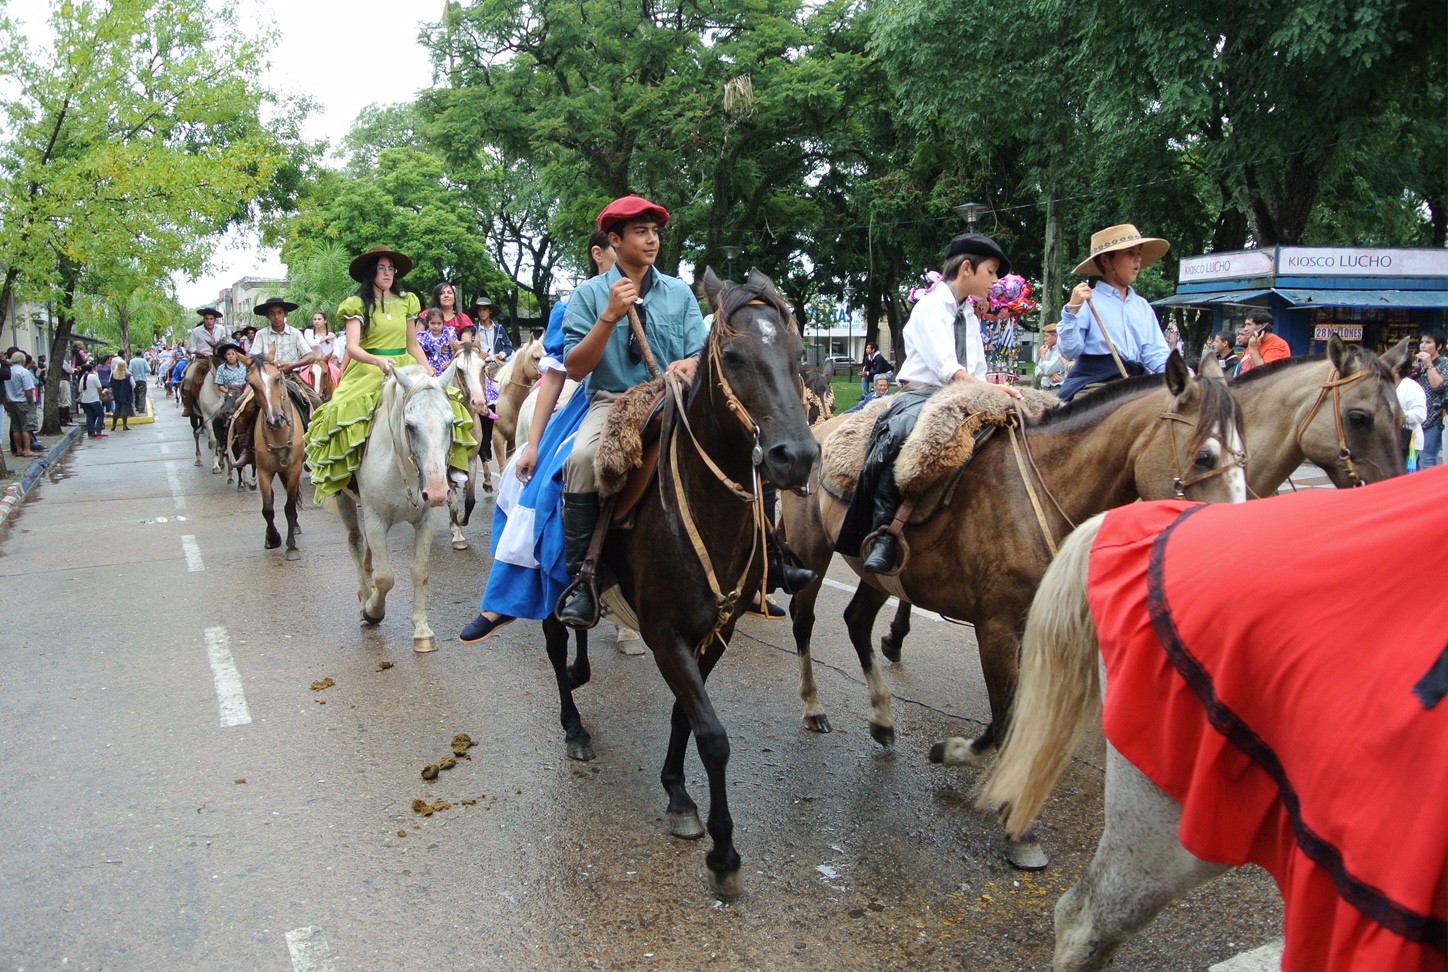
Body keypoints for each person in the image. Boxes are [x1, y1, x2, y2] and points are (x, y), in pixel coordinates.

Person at [551, 195, 708, 628]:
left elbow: (701, 353)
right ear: (614, 241)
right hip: (613, 401)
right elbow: (576, 367)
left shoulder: (679, 292)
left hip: (675, 395)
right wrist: (609, 317)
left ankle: (770, 550)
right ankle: (583, 581)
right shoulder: (587, 295)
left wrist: (691, 364)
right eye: (640, 232)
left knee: (744, 438)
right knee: (582, 460)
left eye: (655, 231)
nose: (652, 240)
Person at [460, 229, 617, 643]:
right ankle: (510, 597)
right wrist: (532, 445)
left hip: (665, 396)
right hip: (594, 400)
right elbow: (554, 377)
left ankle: (757, 569)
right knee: (531, 478)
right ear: (599, 254)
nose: (644, 244)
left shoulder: (665, 293)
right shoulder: (574, 305)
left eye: (649, 235)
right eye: (625, 240)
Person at [839, 232, 1023, 575]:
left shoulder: (968, 314)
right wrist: (988, 390)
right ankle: (882, 533)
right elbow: (946, 368)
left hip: (965, 393)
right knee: (896, 435)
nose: (996, 281)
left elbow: (976, 369)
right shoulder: (930, 306)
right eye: (992, 271)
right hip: (923, 393)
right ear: (967, 268)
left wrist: (995, 391)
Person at [304, 246, 476, 503]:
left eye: (391, 269)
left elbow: (412, 344)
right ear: (371, 272)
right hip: (368, 367)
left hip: (406, 364)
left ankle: (453, 466)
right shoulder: (356, 304)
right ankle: (346, 476)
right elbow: (352, 346)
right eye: (381, 268)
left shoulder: (407, 301)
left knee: (447, 402)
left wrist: (430, 372)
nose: (387, 273)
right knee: (340, 411)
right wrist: (377, 360)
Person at [1056, 224, 1174, 401]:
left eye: (1139, 253)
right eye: (1130, 253)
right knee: (1077, 420)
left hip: (1136, 383)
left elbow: (1156, 353)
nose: (1138, 259)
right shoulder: (1088, 302)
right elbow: (1069, 351)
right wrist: (1071, 311)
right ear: (1106, 261)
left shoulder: (1142, 306)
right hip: (1095, 383)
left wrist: (1182, 373)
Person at [245, 296, 320, 427]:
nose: (276, 317)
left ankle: (315, 437)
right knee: (240, 404)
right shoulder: (261, 334)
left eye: (279, 312)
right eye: (272, 313)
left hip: (291, 377)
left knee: (316, 401)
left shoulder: (295, 333)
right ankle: (242, 443)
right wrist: (268, 365)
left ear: (285, 314)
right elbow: (253, 357)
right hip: (266, 380)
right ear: (267, 315)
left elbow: (310, 356)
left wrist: (292, 365)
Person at [181, 308, 229, 416]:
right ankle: (188, 406)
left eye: (211, 319)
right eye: (207, 319)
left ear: (215, 320)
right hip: (201, 359)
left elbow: (225, 342)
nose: (209, 321)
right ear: (204, 319)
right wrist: (200, 353)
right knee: (188, 378)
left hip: (219, 359)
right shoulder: (196, 331)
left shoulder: (221, 329)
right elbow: (189, 347)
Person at [1415, 328, 1448, 468]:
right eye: (1422, 342)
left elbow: (1437, 386)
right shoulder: (1418, 365)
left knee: (1428, 457)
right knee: (1413, 457)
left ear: (1439, 346)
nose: (1423, 345)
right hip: (1417, 417)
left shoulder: (1444, 364)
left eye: (1428, 342)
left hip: (1434, 418)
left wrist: (1429, 364)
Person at [4, 351, 42, 456]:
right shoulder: (24, 372)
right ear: (23, 360)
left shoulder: (9, 371)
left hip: (11, 402)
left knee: (15, 427)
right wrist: (31, 402)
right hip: (23, 402)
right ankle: (27, 449)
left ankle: (18, 449)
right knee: (26, 427)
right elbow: (28, 390)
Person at [1235, 309, 1290, 375]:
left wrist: (1254, 349)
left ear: (1264, 326)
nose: (1245, 329)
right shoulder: (1253, 342)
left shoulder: (1278, 345)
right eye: (1245, 325)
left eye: (1249, 325)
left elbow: (1264, 373)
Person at [1396, 355, 1427, 469]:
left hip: (1408, 442)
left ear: (1397, 368)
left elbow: (1420, 414)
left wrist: (1396, 414)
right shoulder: (1384, 385)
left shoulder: (1411, 387)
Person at [416, 307, 458, 376]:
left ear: (443, 323)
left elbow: (456, 350)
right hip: (429, 368)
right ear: (427, 323)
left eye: (439, 323)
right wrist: (428, 367)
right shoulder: (423, 337)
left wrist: (451, 362)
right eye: (432, 323)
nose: (436, 326)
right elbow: (419, 352)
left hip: (447, 368)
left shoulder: (448, 335)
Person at [471, 297, 513, 362]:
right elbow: (468, 350)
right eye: (479, 310)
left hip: (497, 363)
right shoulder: (473, 329)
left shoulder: (499, 329)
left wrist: (501, 355)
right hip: (479, 364)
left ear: (490, 311)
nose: (482, 312)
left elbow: (509, 347)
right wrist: (478, 355)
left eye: (485, 309)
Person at [1036, 322, 1070, 390]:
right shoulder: (1046, 349)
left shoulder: (1061, 351)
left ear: (1055, 336)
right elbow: (1037, 371)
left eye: (1046, 336)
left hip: (1056, 389)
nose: (1045, 339)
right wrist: (1050, 374)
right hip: (1044, 389)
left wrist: (1042, 355)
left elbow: (1048, 370)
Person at [77, 363, 106, 438]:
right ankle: (98, 430)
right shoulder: (94, 377)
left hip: (85, 400)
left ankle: (91, 431)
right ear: (92, 369)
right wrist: (101, 395)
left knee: (89, 416)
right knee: (101, 414)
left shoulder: (82, 378)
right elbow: (99, 387)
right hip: (94, 399)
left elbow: (80, 389)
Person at [108, 353, 134, 431]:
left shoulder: (114, 375)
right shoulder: (128, 375)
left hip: (117, 394)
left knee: (117, 409)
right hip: (126, 394)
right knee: (124, 409)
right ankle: (124, 425)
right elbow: (133, 384)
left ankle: (113, 426)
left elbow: (110, 383)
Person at [129, 350, 150, 415]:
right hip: (142, 380)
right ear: (141, 354)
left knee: (136, 393)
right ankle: (141, 408)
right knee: (142, 394)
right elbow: (148, 370)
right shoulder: (143, 361)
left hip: (135, 380)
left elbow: (130, 370)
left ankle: (137, 406)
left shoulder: (132, 361)